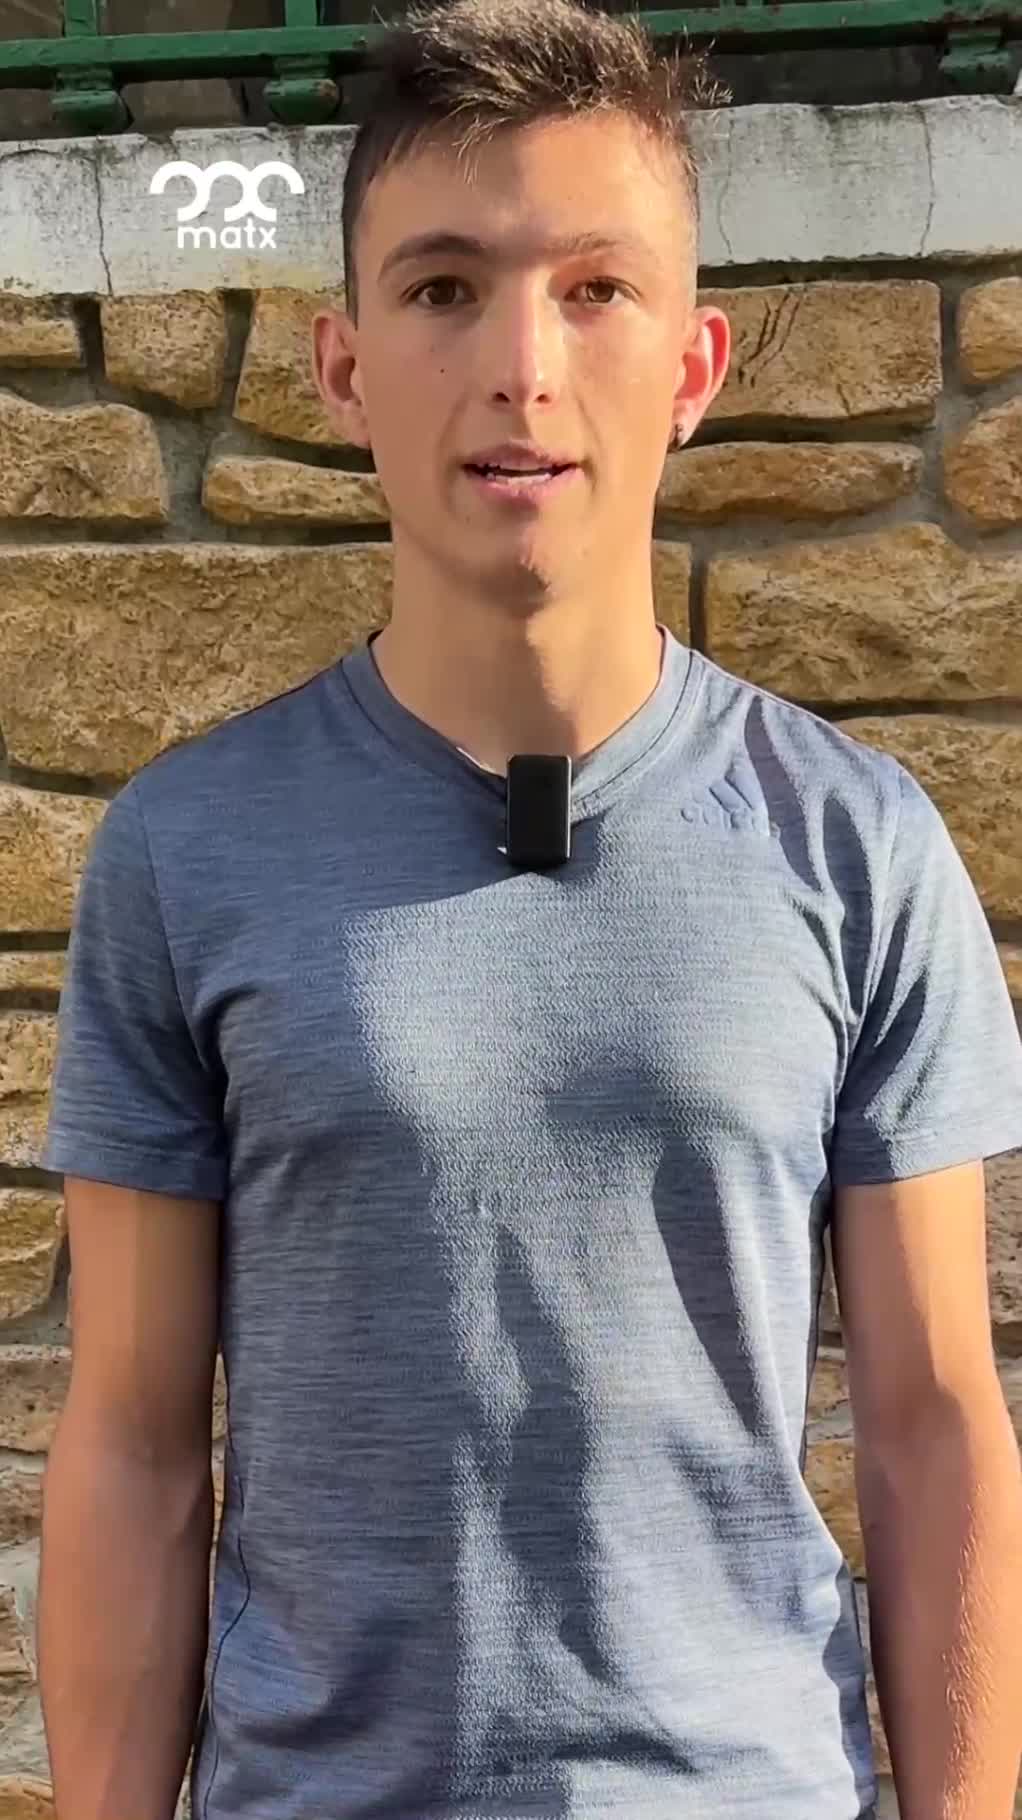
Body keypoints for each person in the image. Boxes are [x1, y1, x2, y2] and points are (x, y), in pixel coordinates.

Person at [36, 1, 1022, 1817]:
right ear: (343, 368)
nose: (520, 365)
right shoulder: (186, 853)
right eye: (442, 289)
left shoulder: (857, 847)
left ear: (694, 361)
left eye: (593, 289)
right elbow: (133, 1442)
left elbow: (932, 1427)